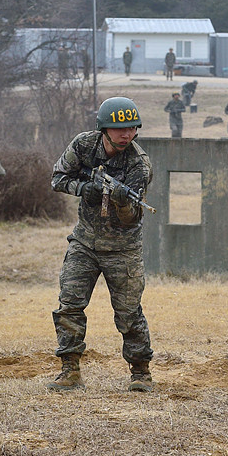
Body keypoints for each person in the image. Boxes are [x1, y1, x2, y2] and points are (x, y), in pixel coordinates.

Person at [48, 97, 154, 393]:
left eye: (132, 128)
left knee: (129, 313)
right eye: (119, 129)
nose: (126, 134)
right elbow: (58, 178)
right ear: (103, 130)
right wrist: (86, 189)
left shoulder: (138, 165)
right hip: (85, 242)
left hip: (123, 248)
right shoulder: (83, 146)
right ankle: (70, 371)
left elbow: (132, 219)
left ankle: (141, 372)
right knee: (69, 304)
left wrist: (120, 202)